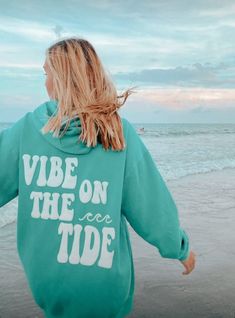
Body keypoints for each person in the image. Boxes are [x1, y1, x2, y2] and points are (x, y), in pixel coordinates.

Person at [0, 37, 196, 318]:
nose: (45, 84)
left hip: (49, 284)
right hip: (106, 287)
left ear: (64, 78)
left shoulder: (27, 132)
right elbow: (151, 206)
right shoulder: (117, 132)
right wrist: (179, 248)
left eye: (47, 74)